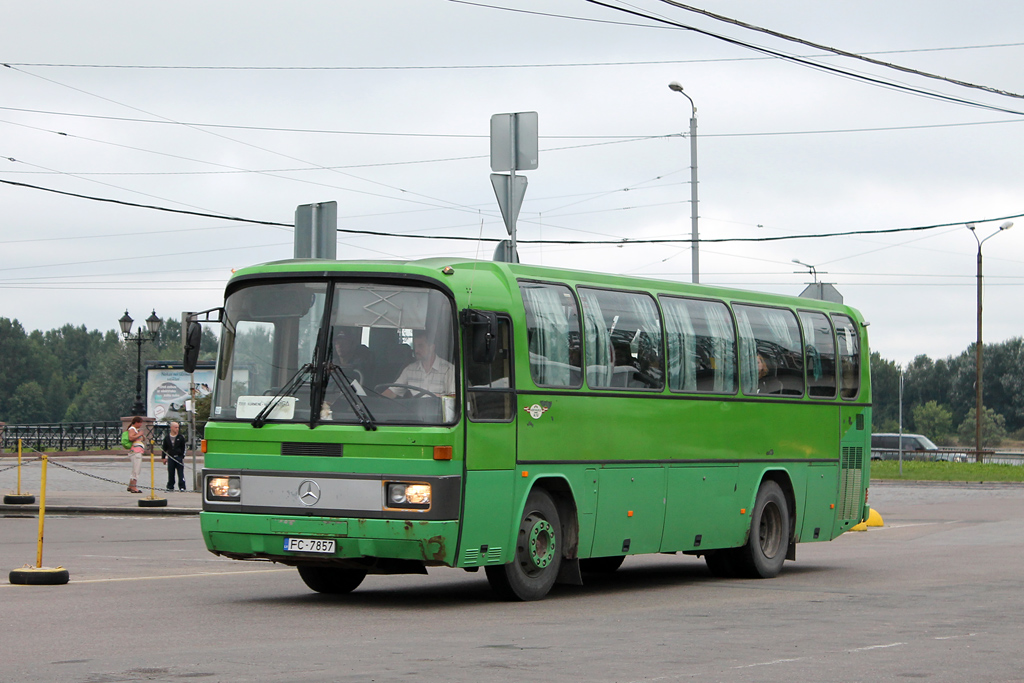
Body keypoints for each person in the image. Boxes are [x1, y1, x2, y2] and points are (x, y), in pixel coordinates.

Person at [383, 329, 455, 398]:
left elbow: (455, 397)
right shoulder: (409, 370)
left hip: (438, 410)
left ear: (432, 347)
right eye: (415, 346)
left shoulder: (448, 370)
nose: (416, 350)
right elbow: (393, 391)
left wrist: (439, 398)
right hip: (415, 410)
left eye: (421, 346)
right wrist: (376, 401)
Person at [161, 421, 188, 492]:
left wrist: (182, 456)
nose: (177, 429)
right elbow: (164, 448)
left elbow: (183, 447)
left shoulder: (180, 437)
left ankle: (182, 486)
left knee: (180, 473)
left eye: (178, 427)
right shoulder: (167, 438)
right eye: (175, 427)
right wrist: (163, 457)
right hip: (171, 457)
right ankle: (170, 486)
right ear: (171, 428)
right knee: (171, 472)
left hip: (178, 457)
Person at [126, 416, 145, 493]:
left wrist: (141, 434)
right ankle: (134, 487)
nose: (141, 424)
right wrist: (139, 434)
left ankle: (131, 486)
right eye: (140, 422)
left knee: (136, 469)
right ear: (136, 422)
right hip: (135, 452)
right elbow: (131, 438)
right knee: (136, 469)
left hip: (138, 451)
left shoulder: (136, 430)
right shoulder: (132, 429)